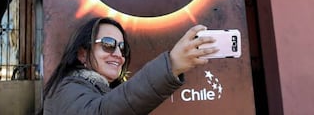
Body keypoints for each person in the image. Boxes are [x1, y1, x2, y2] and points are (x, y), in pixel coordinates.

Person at [40, 17, 218, 114]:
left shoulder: (101, 90)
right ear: (82, 53)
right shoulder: (67, 89)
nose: (118, 54)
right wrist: (171, 65)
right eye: (108, 44)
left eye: (122, 47)